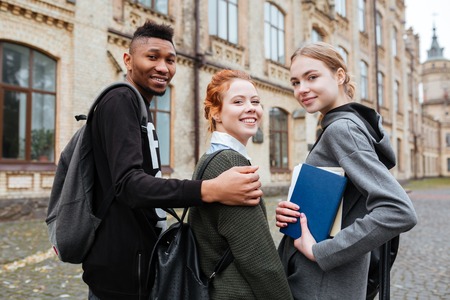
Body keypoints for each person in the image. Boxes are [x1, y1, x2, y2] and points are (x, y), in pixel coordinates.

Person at [83, 21, 263, 300]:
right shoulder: (120, 100)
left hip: (139, 265)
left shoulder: (140, 106)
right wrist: (210, 189)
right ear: (128, 60)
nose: (163, 68)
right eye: (152, 57)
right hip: (119, 274)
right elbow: (130, 185)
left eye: (170, 60)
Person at [275, 42, 418, 299]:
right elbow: (347, 203)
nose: (302, 89)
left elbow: (399, 211)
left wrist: (322, 252)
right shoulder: (346, 126)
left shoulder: (343, 130)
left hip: (322, 284)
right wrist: (294, 210)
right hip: (328, 281)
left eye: (312, 77)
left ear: (339, 75)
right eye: (295, 82)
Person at [188, 69, 293, 300]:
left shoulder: (210, 158)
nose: (251, 108)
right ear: (216, 112)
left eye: (255, 101)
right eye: (238, 101)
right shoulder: (229, 162)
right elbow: (260, 261)